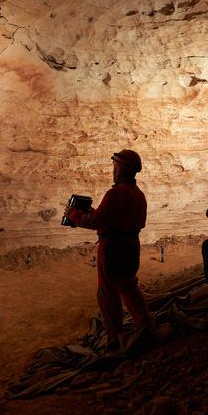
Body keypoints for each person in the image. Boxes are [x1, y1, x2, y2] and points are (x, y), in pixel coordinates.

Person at [64, 149, 153, 352]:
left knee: (108, 293)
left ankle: (114, 340)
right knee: (129, 287)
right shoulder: (139, 195)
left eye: (115, 167)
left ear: (121, 169)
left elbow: (96, 221)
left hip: (113, 247)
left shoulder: (115, 193)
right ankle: (146, 326)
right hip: (132, 246)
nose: (113, 171)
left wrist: (75, 215)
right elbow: (119, 218)